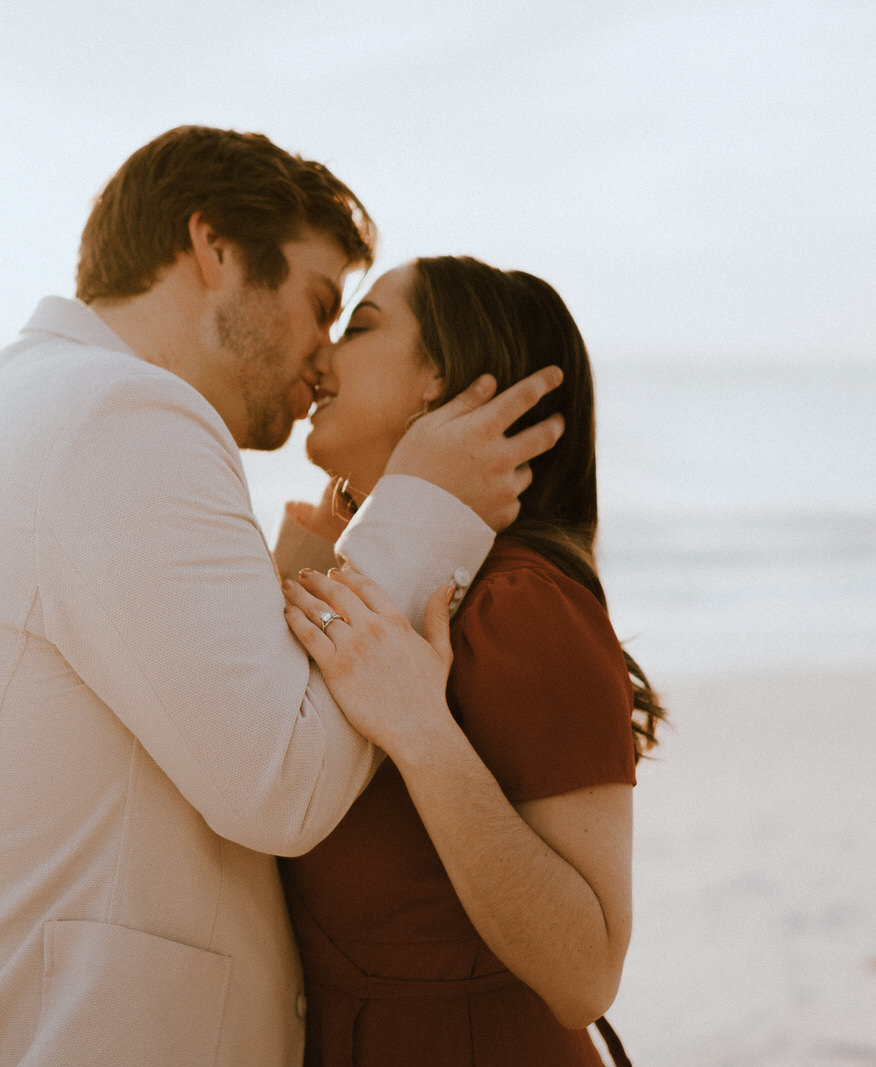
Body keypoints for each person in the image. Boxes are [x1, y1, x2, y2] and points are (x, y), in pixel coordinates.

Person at [0, 130, 565, 1067]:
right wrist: (426, 509)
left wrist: (312, 569)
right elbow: (285, 786)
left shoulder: (50, 400)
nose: (324, 361)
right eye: (321, 306)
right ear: (216, 251)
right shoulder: (121, 416)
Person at [278, 256, 667, 1066]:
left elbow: (588, 973)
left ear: (450, 381)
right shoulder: (385, 580)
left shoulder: (517, 605)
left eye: (361, 326)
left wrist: (422, 731)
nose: (322, 353)